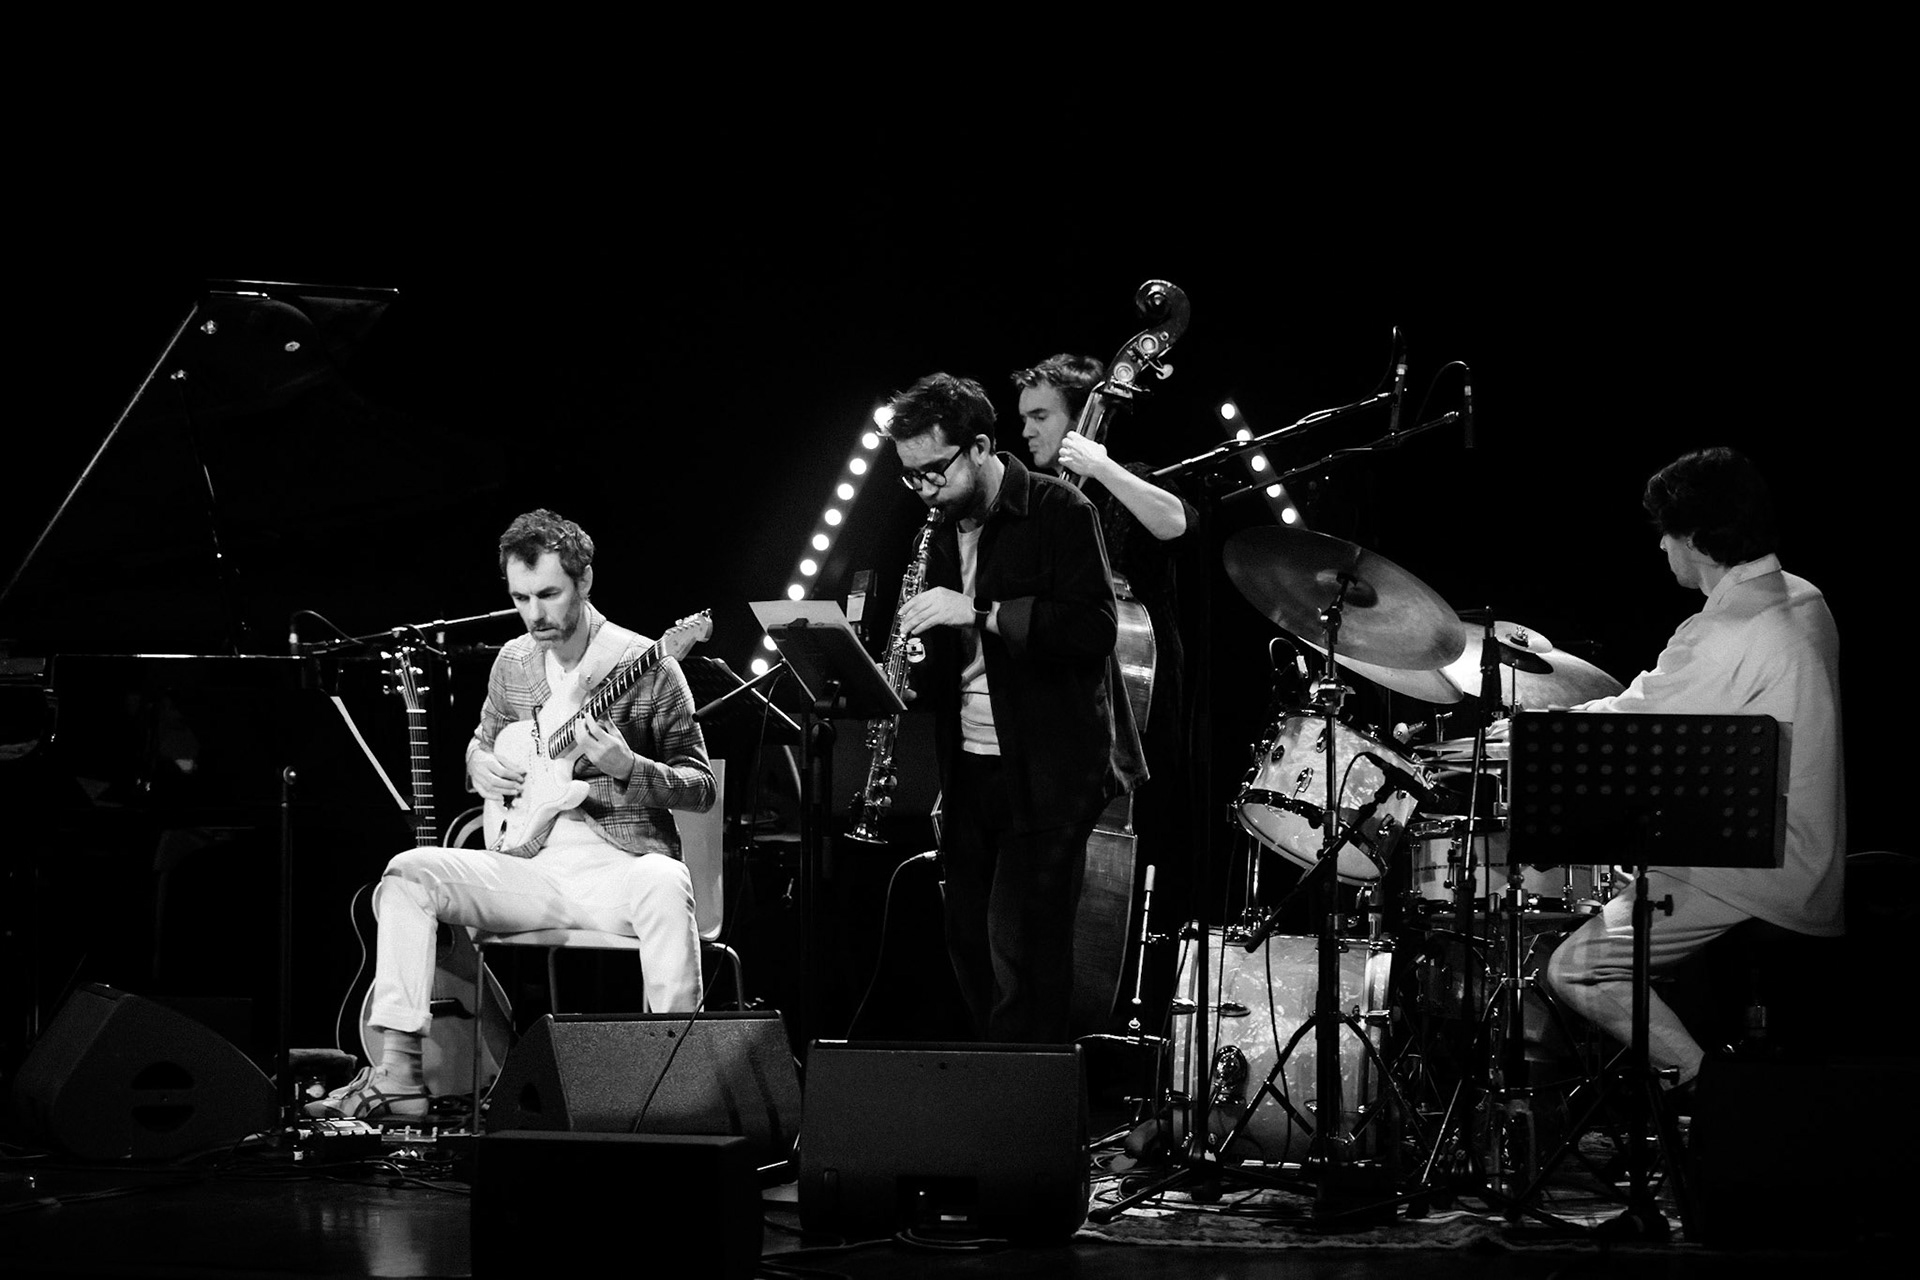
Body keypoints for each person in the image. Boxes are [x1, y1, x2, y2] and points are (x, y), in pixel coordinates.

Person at [319, 509, 715, 1118]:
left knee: (667, 883)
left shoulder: (649, 662)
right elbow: (487, 742)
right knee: (406, 873)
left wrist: (626, 765)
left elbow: (700, 786)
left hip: (621, 868)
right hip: (529, 867)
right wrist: (478, 762)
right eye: (521, 597)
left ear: (584, 582)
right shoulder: (514, 662)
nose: (535, 614)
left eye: (549, 594)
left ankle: (672, 1083)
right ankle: (397, 1071)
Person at [1545, 447, 1843, 1096]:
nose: (1660, 549)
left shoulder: (1724, 630)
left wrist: (1519, 728)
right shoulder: (1806, 597)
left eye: (1666, 535)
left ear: (1700, 543)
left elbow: (1629, 723)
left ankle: (1715, 1095)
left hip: (1765, 868)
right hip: (1803, 850)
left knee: (1577, 969)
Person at [886, 372, 1146, 1044]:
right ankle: (1008, 1094)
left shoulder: (1061, 511)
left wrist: (978, 612)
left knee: (1023, 958)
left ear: (978, 448)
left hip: (1051, 768)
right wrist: (915, 662)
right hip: (973, 767)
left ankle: (1025, 1126)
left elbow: (1093, 629)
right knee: (966, 940)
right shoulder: (940, 531)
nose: (922, 489)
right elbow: (958, 660)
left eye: (932, 471)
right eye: (908, 476)